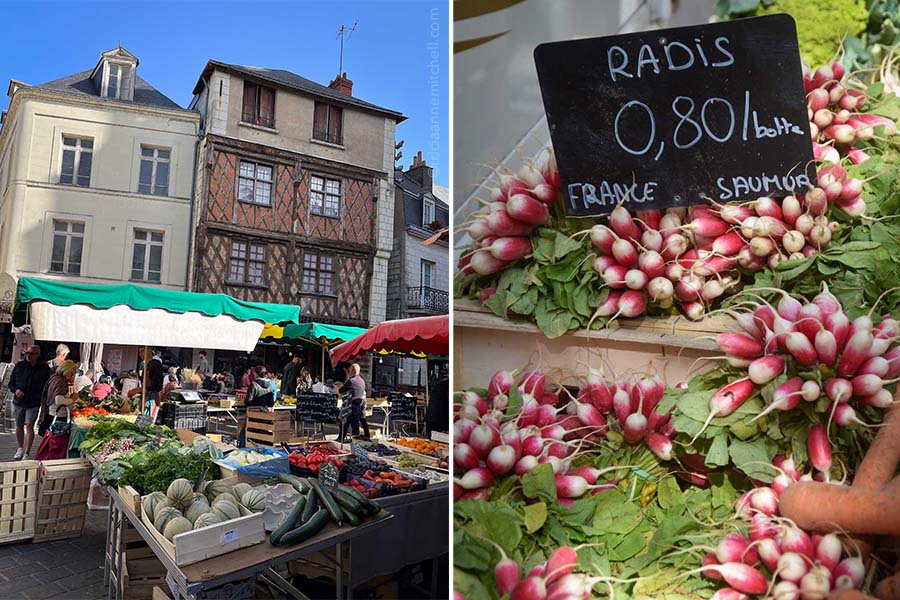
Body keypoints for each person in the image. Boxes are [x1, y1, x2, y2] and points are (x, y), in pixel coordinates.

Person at [8, 345, 53, 459]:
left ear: (37, 355)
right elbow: (11, 384)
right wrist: (16, 390)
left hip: (34, 402)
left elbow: (48, 385)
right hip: (19, 401)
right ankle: (20, 448)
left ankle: (27, 453)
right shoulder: (20, 366)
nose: (28, 355)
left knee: (29, 426)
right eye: (26, 353)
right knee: (18, 425)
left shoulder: (44, 368)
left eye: (31, 354)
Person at [37, 360, 78, 437]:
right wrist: (73, 399)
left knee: (52, 440)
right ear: (68, 371)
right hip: (59, 415)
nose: (73, 375)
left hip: (52, 413)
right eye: (73, 373)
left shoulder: (55, 378)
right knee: (56, 441)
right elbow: (59, 401)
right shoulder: (60, 381)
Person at [238, 366, 275, 446]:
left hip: (253, 414)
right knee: (261, 435)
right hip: (265, 414)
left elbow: (248, 401)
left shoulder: (254, 385)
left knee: (245, 435)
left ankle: (244, 450)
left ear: (255, 374)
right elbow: (271, 403)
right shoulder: (270, 386)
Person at [346, 363, 370, 440]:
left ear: (351, 370)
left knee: (352, 421)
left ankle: (354, 437)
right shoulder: (362, 381)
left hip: (354, 402)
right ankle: (367, 435)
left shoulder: (352, 380)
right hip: (362, 402)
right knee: (362, 419)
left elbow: (341, 390)